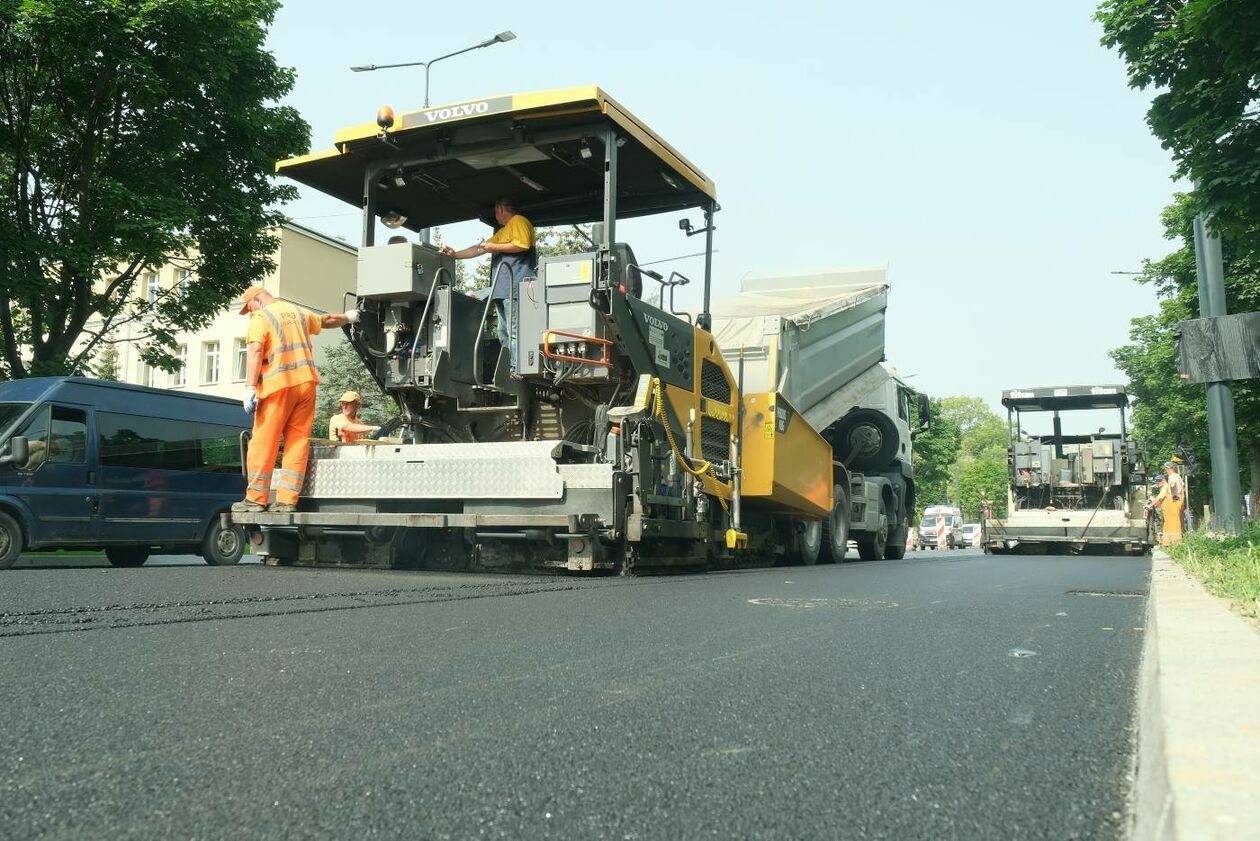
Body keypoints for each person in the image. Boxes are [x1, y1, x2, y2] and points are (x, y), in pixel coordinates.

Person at [232, 287, 358, 514]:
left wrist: (250, 386)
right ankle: (287, 501)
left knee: (263, 442)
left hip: (278, 386)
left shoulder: (262, 317)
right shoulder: (297, 312)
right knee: (297, 442)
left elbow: (255, 350)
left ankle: (255, 500)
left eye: (249, 309)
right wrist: (349, 317)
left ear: (258, 300)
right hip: (306, 385)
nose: (250, 314)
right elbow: (327, 320)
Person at [440, 198, 535, 369]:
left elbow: (522, 245)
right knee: (503, 331)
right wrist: (455, 255)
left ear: (500, 209)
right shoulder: (504, 230)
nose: (495, 216)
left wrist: (494, 247)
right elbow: (481, 248)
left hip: (515, 286)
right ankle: (508, 367)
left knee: (514, 329)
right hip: (502, 289)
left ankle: (516, 367)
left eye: (495, 212)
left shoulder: (519, 221)